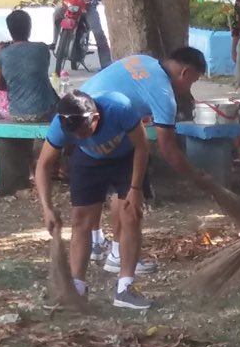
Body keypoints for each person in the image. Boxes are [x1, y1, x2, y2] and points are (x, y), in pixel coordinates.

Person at [81, 48, 212, 271]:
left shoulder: (143, 61)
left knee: (109, 188)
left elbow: (128, 89)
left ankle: (98, 245)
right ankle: (119, 255)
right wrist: (196, 176)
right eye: (193, 81)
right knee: (128, 186)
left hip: (80, 116)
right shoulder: (163, 94)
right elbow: (168, 148)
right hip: (103, 125)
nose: (189, 88)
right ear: (185, 72)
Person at [36, 90, 152, 310]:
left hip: (126, 160)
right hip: (88, 163)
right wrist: (46, 207)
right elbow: (43, 165)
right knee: (80, 221)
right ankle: (76, 288)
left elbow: (142, 146)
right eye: (76, 135)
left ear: (95, 118)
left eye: (84, 131)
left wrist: (136, 188)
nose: (81, 137)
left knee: (130, 215)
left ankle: (125, 288)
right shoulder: (61, 125)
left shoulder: (119, 108)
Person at [0, 10, 58, 122]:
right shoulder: (42, 48)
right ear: (29, 28)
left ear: (9, 30)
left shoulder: (4, 53)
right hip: (44, 112)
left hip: (17, 114)